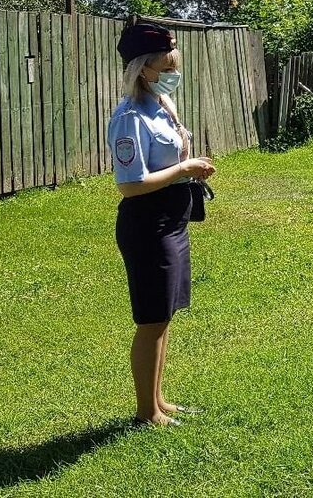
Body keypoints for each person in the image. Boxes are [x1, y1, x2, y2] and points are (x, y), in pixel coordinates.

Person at [110, 22, 216, 427]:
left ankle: (158, 399)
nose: (172, 71)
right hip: (148, 224)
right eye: (165, 65)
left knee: (164, 315)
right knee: (151, 320)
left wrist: (186, 169)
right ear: (143, 69)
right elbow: (130, 185)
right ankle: (145, 413)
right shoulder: (130, 117)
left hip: (172, 220)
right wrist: (185, 168)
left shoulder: (159, 106)